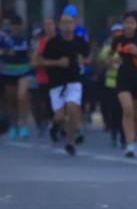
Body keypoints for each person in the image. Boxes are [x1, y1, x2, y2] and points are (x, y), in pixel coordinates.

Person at [41, 12, 91, 155]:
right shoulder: (53, 43)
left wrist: (85, 60)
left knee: (72, 108)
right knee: (60, 116)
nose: (67, 25)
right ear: (59, 25)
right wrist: (57, 62)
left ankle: (71, 142)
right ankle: (55, 126)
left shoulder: (80, 41)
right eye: (64, 22)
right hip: (56, 84)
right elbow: (42, 62)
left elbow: (89, 57)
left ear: (74, 24)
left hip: (74, 81)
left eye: (70, 22)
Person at [114, 11, 137, 157]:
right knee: (127, 110)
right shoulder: (118, 39)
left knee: (136, 114)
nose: (129, 25)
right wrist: (112, 60)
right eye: (126, 22)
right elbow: (110, 56)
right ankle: (129, 143)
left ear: (136, 25)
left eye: (132, 23)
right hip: (123, 78)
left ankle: (135, 139)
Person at [0, 15, 33, 138]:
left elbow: (31, 54)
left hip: (24, 72)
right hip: (8, 72)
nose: (14, 28)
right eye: (11, 26)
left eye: (16, 26)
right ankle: (14, 125)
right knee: (11, 100)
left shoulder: (25, 38)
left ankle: (23, 124)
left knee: (22, 97)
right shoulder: (3, 38)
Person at [97, 24, 124, 146]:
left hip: (124, 82)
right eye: (115, 33)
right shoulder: (107, 49)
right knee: (113, 110)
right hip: (110, 82)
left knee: (123, 109)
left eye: (120, 33)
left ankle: (124, 135)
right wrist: (108, 62)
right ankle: (114, 133)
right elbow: (100, 65)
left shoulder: (126, 48)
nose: (117, 35)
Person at [31, 17, 57, 135]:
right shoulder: (41, 42)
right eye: (46, 25)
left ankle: (59, 124)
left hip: (59, 77)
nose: (48, 27)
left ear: (55, 25)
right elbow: (34, 61)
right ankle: (51, 123)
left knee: (59, 102)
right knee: (47, 102)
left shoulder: (60, 40)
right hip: (43, 77)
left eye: (50, 24)